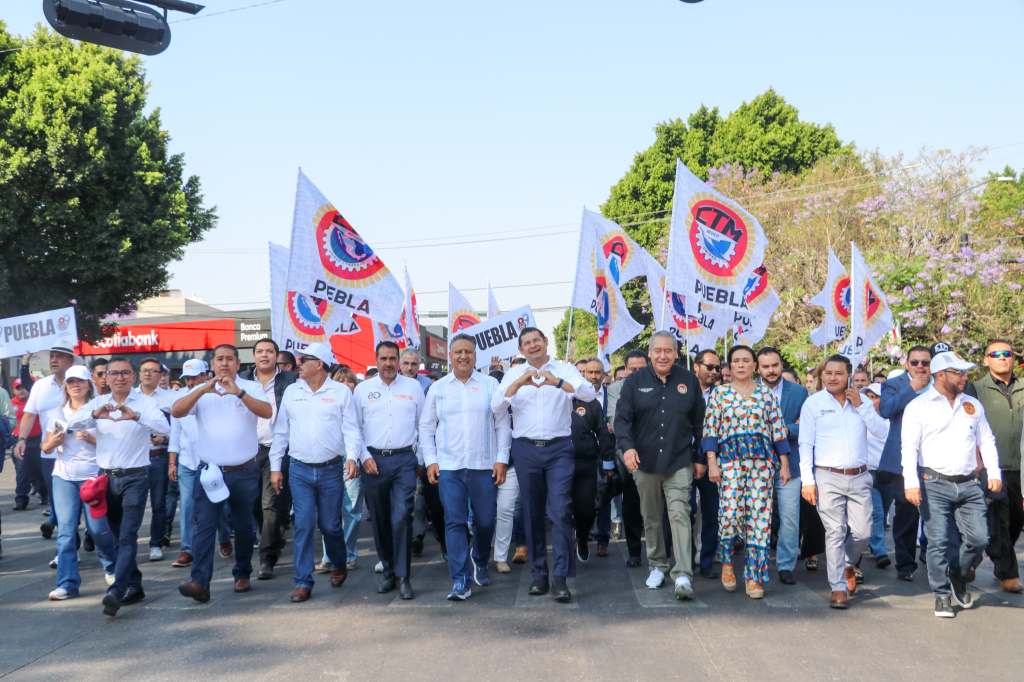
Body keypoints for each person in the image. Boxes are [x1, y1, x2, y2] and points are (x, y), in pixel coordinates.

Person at [493, 327, 595, 603]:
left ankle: (560, 578)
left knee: (560, 510)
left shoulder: (565, 368)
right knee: (532, 512)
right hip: (526, 449)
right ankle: (539, 574)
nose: (533, 345)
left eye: (536, 340)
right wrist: (519, 383)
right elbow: (495, 407)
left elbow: (589, 394)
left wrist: (559, 382)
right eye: (527, 343)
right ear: (521, 349)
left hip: (559, 448)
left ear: (546, 342)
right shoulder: (513, 374)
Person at [67, 356, 171, 617]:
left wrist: (135, 417)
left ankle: (116, 590)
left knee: (127, 535)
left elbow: (164, 427)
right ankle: (134, 585)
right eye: (114, 374)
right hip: (105, 478)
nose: (119, 378)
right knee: (114, 536)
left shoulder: (144, 403)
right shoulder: (99, 402)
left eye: (125, 373)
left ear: (133, 377)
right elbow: (72, 424)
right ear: (105, 378)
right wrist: (94, 415)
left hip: (136, 477)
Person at [901, 351, 1003, 618]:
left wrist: (994, 472)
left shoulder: (972, 404)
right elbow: (909, 448)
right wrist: (910, 483)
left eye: (964, 372)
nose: (964, 377)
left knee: (979, 538)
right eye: (958, 372)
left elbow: (986, 440)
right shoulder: (919, 406)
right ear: (941, 374)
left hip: (969, 484)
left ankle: (957, 572)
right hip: (933, 482)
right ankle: (942, 594)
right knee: (938, 541)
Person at [172, 344, 272, 603]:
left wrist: (238, 393)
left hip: (244, 470)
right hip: (210, 473)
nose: (224, 363)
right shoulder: (200, 391)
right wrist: (202, 390)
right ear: (212, 365)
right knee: (204, 526)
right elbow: (177, 411)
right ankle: (199, 581)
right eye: (220, 359)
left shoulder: (249, 388)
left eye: (230, 359)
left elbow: (267, 411)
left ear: (238, 364)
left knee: (243, 526)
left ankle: (242, 572)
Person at [419, 334, 511, 600]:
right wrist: (431, 461)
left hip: (484, 466)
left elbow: (502, 424)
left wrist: (501, 459)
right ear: (450, 355)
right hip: (450, 467)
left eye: (468, 352)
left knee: (485, 521)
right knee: (454, 522)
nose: (463, 356)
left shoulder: (490, 384)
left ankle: (480, 558)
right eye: (458, 352)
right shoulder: (438, 388)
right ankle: (460, 579)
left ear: (475, 355)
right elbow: (426, 427)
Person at [615, 332, 705, 600]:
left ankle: (683, 575)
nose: (663, 355)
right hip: (644, 462)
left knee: (680, 514)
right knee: (651, 516)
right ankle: (657, 564)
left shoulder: (689, 381)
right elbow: (622, 421)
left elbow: (701, 423)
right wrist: (627, 448)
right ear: (650, 353)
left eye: (669, 351)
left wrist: (700, 457)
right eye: (658, 351)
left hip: (679, 461)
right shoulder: (633, 383)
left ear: (677, 353)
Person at [702, 345, 791, 599]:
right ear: (729, 367)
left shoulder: (766, 395)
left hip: (762, 466)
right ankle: (728, 563)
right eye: (736, 361)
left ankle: (754, 576)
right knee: (729, 515)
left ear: (754, 365)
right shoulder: (720, 394)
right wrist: (712, 462)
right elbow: (710, 431)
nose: (741, 365)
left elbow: (778, 432)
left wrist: (784, 464)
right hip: (729, 464)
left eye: (746, 360)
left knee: (760, 522)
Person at [268, 342, 351, 602]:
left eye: (304, 360)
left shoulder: (340, 392)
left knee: (330, 526)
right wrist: (275, 468)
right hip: (299, 470)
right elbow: (281, 432)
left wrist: (354, 458)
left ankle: (338, 562)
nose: (299, 364)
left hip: (331, 469)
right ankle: (303, 581)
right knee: (303, 525)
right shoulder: (292, 392)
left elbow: (351, 429)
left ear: (320, 364)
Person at [343, 341, 424, 600]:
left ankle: (403, 576)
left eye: (393, 358)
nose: (388, 363)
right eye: (384, 358)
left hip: (403, 461)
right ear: (376, 360)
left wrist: (420, 458)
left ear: (399, 360)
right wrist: (362, 456)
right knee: (378, 519)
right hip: (373, 461)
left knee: (402, 517)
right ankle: (388, 570)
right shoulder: (363, 390)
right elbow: (353, 427)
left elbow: (424, 424)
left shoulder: (413, 388)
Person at [798, 355, 872, 609]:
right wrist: (807, 481)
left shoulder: (862, 402)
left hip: (860, 476)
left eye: (838, 373)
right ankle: (838, 586)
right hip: (826, 476)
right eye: (828, 373)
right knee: (835, 531)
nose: (832, 378)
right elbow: (805, 444)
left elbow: (881, 430)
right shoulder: (813, 404)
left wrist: (862, 406)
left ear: (848, 375)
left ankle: (848, 564)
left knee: (863, 533)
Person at [41, 365, 116, 600]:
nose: (75, 385)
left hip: (92, 476)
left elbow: (113, 445)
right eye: (71, 381)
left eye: (80, 381)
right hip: (63, 476)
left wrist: (92, 438)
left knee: (97, 529)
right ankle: (67, 583)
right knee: (65, 531)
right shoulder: (57, 413)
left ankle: (112, 566)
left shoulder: (98, 410)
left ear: (88, 385)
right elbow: (45, 446)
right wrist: (53, 441)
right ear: (66, 386)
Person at [965, 339, 1024, 593]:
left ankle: (976, 557)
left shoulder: (1023, 386)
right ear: (986, 360)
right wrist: (978, 462)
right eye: (996, 354)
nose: (1002, 358)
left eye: (1007, 354)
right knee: (997, 520)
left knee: (1015, 521)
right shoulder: (975, 389)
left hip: (1020, 468)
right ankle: (1007, 572)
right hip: (991, 467)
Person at [241, 337, 298, 581]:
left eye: (270, 351)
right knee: (254, 504)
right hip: (246, 450)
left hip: (277, 449)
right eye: (260, 351)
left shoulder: (291, 381)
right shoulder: (242, 380)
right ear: (253, 355)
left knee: (270, 504)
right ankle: (274, 534)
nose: (265, 355)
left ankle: (267, 559)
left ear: (277, 356)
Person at [877, 345, 933, 581]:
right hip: (901, 462)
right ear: (906, 364)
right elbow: (887, 409)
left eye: (925, 363)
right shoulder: (895, 384)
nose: (920, 367)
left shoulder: (940, 384)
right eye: (915, 362)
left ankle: (935, 559)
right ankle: (905, 564)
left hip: (933, 459)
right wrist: (912, 388)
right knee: (906, 516)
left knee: (935, 515)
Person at [756, 347, 809, 586]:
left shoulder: (799, 392)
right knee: (758, 516)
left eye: (774, 365)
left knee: (789, 518)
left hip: (792, 465)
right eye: (765, 366)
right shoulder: (749, 391)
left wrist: (786, 429)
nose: (771, 371)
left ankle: (786, 565)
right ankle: (756, 563)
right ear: (758, 368)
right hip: (756, 464)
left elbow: (806, 426)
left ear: (781, 365)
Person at [15, 348, 75, 538]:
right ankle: (69, 544)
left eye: (59, 356)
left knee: (82, 500)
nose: (54, 360)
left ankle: (90, 531)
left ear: (70, 360)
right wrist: (21, 439)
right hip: (49, 452)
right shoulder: (40, 386)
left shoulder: (82, 383)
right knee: (58, 499)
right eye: (52, 356)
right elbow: (30, 414)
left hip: (80, 453)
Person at [167, 359, 215, 569]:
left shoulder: (216, 397)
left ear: (206, 375)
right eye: (187, 378)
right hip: (187, 461)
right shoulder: (180, 400)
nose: (191, 381)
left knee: (217, 505)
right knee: (187, 505)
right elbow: (174, 434)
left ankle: (222, 539)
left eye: (195, 377)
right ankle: (187, 549)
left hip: (213, 460)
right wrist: (172, 462)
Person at [605, 349, 650, 567]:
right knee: (632, 502)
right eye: (633, 369)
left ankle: (661, 551)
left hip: (657, 452)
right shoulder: (615, 389)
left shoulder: (660, 384)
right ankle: (634, 551)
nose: (637, 373)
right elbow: (615, 423)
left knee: (656, 505)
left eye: (642, 369)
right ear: (625, 369)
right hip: (628, 451)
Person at [570, 359, 615, 563]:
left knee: (587, 510)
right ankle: (564, 550)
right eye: (588, 372)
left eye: (598, 372)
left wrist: (608, 463)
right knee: (560, 509)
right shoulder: (561, 398)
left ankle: (582, 536)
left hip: (587, 465)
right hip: (560, 464)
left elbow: (603, 434)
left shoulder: (593, 403)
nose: (593, 376)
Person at [402, 348, 444, 559]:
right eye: (406, 363)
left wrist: (425, 458)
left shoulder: (430, 387)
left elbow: (428, 425)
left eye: (414, 364)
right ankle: (405, 542)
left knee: (423, 500)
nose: (410, 368)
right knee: (402, 505)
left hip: (423, 453)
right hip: (397, 455)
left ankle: (422, 536)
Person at [136, 357, 176, 562]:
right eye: (144, 370)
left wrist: (166, 438)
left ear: (160, 375)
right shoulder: (129, 397)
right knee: (133, 504)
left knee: (159, 503)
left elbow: (178, 431)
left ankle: (156, 543)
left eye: (153, 370)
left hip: (158, 456)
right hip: (135, 459)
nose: (148, 374)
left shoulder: (169, 399)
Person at [691, 349, 722, 578]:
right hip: (683, 460)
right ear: (696, 366)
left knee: (712, 513)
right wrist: (694, 458)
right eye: (709, 367)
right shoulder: (681, 391)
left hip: (714, 461)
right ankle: (685, 558)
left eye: (717, 368)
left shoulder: (722, 394)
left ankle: (707, 561)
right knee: (684, 511)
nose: (714, 372)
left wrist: (705, 459)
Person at [859, 383, 892, 568]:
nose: (871, 401)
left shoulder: (890, 420)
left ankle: (874, 543)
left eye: (875, 397)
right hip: (867, 472)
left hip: (887, 473)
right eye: (868, 397)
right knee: (877, 512)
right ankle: (880, 550)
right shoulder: (860, 418)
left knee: (884, 511)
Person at [10, 377, 43, 511]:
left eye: (24, 387)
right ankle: (21, 499)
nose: (22, 390)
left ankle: (44, 494)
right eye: (18, 388)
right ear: (14, 390)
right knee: (22, 472)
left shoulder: (37, 402)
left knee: (39, 471)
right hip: (20, 442)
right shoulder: (11, 404)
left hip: (38, 439)